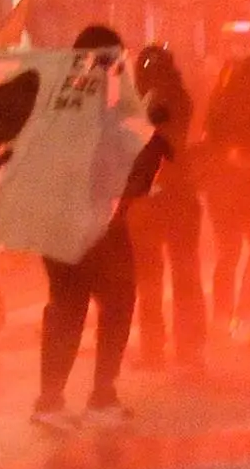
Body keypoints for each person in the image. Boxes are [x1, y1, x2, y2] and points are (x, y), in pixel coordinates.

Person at [33, 26, 172, 430]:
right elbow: (117, 155)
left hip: (63, 222)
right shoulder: (102, 101)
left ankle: (52, 399)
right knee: (113, 303)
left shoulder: (58, 99)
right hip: (97, 221)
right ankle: (96, 395)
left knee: (68, 306)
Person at [127, 44, 207, 369]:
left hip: (150, 197)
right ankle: (188, 347)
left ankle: (153, 348)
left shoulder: (139, 103)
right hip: (180, 194)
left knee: (150, 276)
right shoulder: (182, 98)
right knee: (185, 272)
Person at [202, 54, 250, 337]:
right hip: (241, 186)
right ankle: (247, 308)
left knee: (229, 252)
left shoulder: (221, 97)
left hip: (221, 188)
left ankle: (223, 312)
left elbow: (212, 135)